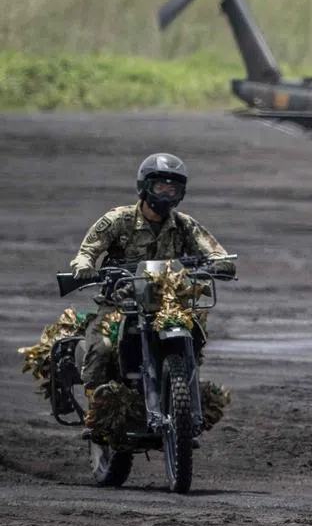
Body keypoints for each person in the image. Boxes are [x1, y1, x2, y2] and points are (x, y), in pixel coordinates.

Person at [69, 153, 235, 393]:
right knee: (102, 349)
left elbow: (217, 253)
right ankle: (98, 409)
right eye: (160, 187)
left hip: (169, 304)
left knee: (195, 334)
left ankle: (185, 387)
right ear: (145, 187)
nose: (167, 194)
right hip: (121, 303)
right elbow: (87, 251)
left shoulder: (184, 225)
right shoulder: (118, 220)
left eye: (173, 189)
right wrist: (84, 268)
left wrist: (219, 265)